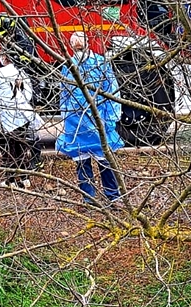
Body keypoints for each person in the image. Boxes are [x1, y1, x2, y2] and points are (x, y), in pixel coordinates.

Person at [56, 31, 125, 204]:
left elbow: (64, 95)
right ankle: (110, 197)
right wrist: (112, 116)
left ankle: (93, 198)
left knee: (85, 162)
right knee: (102, 161)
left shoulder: (71, 65)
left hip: (81, 121)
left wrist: (66, 115)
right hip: (93, 119)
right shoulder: (99, 63)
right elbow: (111, 90)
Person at [0, 52, 42, 188]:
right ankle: (25, 178)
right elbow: (28, 94)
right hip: (23, 115)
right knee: (21, 147)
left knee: (7, 149)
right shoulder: (20, 73)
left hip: (5, 116)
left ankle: (10, 180)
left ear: (4, 58)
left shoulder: (0, 73)